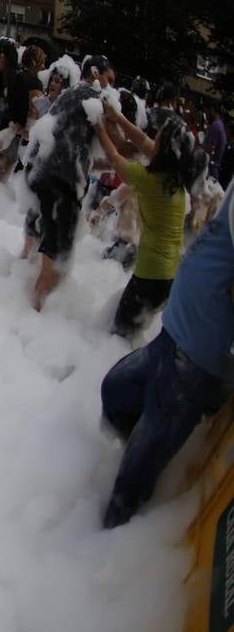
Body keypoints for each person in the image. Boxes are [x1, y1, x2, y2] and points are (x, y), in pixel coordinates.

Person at [99, 185, 234, 528]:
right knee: (116, 391)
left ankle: (114, 536)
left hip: (197, 356)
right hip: (174, 334)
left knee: (139, 466)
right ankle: (134, 460)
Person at [95, 107, 200, 337]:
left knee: (118, 336)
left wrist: (97, 125)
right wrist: (118, 117)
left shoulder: (150, 180)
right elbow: (142, 141)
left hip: (150, 276)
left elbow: (115, 158)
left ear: (163, 148)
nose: (155, 138)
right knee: (133, 334)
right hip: (170, 277)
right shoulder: (176, 179)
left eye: (159, 135)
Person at [20, 78, 104, 310]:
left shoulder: (68, 101)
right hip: (62, 188)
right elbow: (113, 151)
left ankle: (25, 302)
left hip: (45, 178)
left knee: (39, 246)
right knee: (55, 261)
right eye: (110, 79)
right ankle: (33, 310)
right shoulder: (92, 100)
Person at [0, 39, 42, 183]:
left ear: (8, 58)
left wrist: (9, 133)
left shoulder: (21, 79)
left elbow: (25, 114)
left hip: (11, 138)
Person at [205, 104, 227, 183]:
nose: (207, 113)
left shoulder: (216, 125)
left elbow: (210, 148)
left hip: (210, 170)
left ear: (214, 111)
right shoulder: (219, 125)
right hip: (212, 169)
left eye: (209, 111)